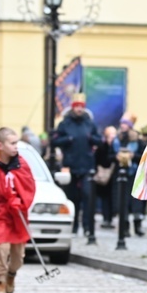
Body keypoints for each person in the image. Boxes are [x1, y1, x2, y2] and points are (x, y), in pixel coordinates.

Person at [0, 127, 36, 293]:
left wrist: (20, 200)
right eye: (12, 143)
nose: (15, 147)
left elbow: (29, 186)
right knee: (1, 248)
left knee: (18, 255)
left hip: (17, 215)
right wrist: (5, 197)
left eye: (16, 143)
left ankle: (11, 273)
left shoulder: (21, 164)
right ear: (0, 145)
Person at [50, 93, 100, 237]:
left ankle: (87, 226)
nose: (79, 109)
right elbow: (55, 141)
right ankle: (73, 226)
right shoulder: (65, 123)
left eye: (81, 107)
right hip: (70, 165)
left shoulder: (89, 123)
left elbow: (99, 140)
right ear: (72, 108)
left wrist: (92, 139)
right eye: (76, 106)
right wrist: (68, 139)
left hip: (86, 165)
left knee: (87, 196)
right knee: (72, 198)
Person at [113, 114, 146, 237]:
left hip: (134, 174)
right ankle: (124, 228)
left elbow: (143, 156)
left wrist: (133, 156)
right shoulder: (117, 139)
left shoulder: (137, 140)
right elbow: (109, 156)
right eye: (122, 123)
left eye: (125, 123)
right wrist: (116, 157)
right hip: (120, 174)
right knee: (122, 202)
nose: (123, 125)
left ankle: (138, 226)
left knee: (136, 202)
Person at [95, 125, 118, 229]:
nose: (112, 139)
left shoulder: (116, 146)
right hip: (104, 176)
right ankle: (106, 218)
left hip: (114, 177)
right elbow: (100, 160)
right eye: (110, 136)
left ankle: (110, 218)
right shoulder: (102, 146)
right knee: (105, 198)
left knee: (112, 198)